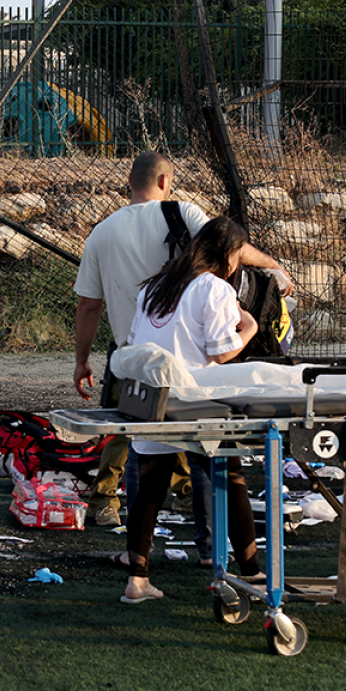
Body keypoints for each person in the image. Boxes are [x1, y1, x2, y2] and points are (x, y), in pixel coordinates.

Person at [72, 151, 291, 528]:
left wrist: (82, 360)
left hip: (131, 351)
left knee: (127, 429)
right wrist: (272, 265)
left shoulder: (102, 231)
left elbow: (89, 305)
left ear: (129, 180)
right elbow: (225, 245)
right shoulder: (183, 214)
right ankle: (203, 526)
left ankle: (109, 504)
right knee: (199, 437)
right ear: (164, 181)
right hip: (184, 354)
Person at [118, 216, 263, 603]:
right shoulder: (214, 288)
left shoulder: (156, 285)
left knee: (150, 484)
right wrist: (249, 328)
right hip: (196, 401)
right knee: (230, 478)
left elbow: (135, 341)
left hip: (152, 398)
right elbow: (220, 350)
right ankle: (253, 572)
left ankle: (137, 580)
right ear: (229, 256)